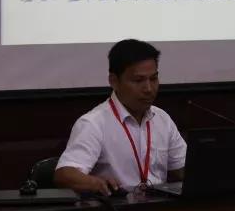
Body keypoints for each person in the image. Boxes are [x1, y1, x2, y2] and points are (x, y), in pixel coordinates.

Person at [54, 39, 186, 196]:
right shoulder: (93, 123)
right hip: (119, 207)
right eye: (138, 80)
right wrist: (95, 183)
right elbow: (64, 175)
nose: (149, 88)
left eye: (153, 79)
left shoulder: (162, 119)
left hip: (159, 207)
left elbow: (183, 168)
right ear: (114, 81)